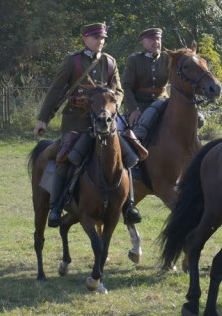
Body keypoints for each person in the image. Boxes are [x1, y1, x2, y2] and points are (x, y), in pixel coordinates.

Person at [33, 22, 124, 228]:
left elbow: (118, 90)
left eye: (102, 39)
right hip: (77, 121)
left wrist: (113, 104)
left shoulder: (110, 62)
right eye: (96, 38)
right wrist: (43, 119)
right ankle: (56, 206)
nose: (100, 42)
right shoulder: (72, 61)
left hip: (105, 121)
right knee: (65, 156)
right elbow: (56, 90)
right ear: (85, 38)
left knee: (128, 152)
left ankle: (129, 204)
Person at [119, 27, 170, 224]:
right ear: (143, 42)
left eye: (158, 39)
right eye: (151, 40)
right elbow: (127, 86)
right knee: (132, 134)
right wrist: (133, 109)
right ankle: (135, 167)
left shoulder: (167, 58)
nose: (155, 42)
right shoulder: (134, 60)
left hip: (162, 103)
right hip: (139, 105)